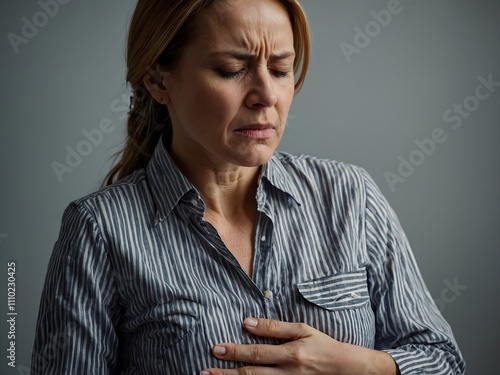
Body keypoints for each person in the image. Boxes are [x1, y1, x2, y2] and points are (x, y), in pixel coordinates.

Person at [31, 0, 466, 374]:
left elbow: (443, 359)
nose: (266, 95)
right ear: (158, 80)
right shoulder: (98, 230)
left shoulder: (351, 196)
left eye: (280, 69)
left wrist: (361, 366)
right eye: (232, 69)